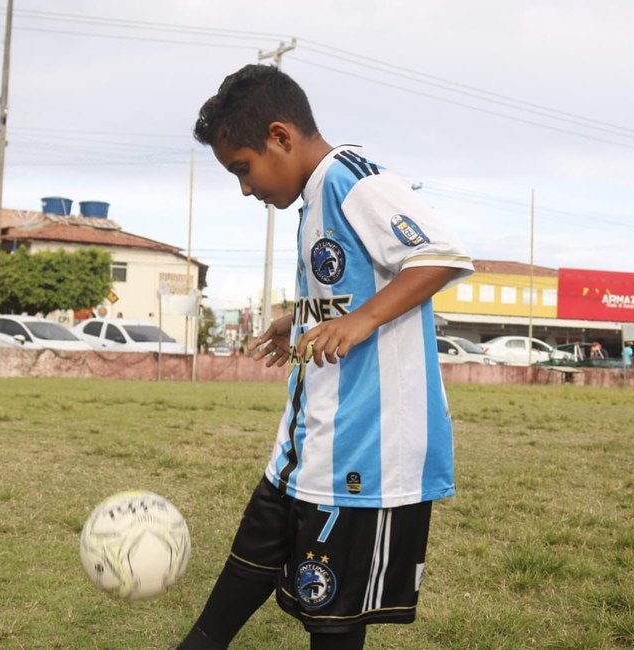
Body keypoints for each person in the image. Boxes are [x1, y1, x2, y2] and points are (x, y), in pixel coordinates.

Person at [178, 64, 474, 650]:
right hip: (310, 438)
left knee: (332, 617)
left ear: (281, 138)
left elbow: (441, 255)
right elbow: (357, 284)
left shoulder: (351, 181)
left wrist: (363, 319)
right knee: (254, 551)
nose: (244, 188)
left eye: (243, 168)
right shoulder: (312, 199)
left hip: (363, 451)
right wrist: (305, 315)